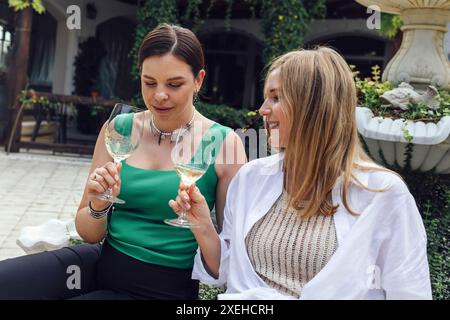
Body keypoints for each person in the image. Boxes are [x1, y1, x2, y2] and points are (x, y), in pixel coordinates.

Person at [0, 24, 245, 300]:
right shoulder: (119, 129)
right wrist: (99, 206)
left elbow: (227, 265)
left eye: (174, 84)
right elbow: (89, 232)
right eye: (149, 82)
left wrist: (201, 225)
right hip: (101, 263)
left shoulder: (224, 143)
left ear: (199, 80)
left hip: (161, 289)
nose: (159, 95)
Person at [169, 47, 432, 300]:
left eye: (276, 97)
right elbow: (225, 272)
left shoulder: (382, 194)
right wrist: (202, 223)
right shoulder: (251, 178)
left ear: (314, 106)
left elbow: (409, 291)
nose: (262, 109)